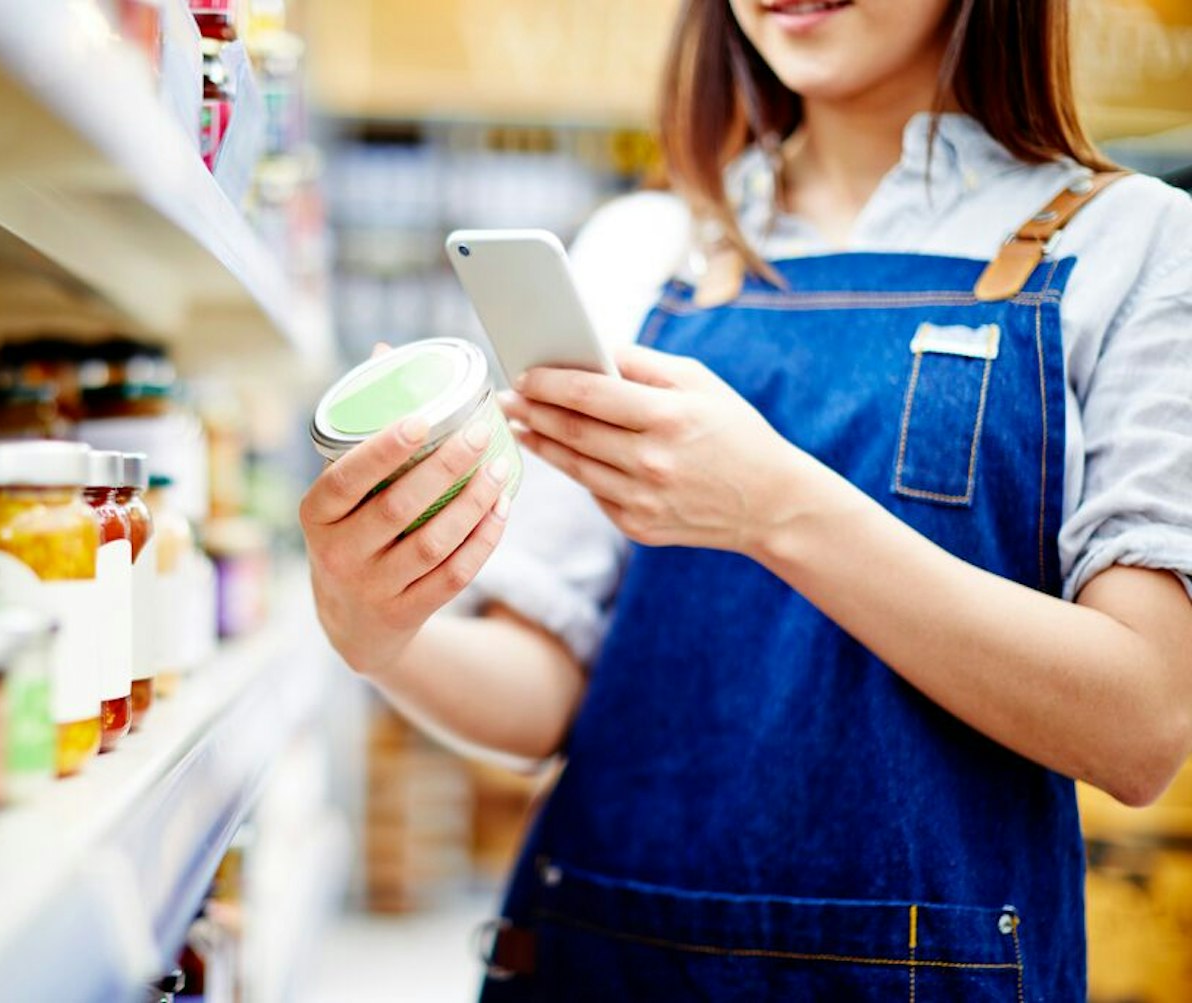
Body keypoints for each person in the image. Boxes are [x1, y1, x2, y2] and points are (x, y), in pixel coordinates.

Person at [299, 0, 1192, 998]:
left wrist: (772, 508)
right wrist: (378, 631)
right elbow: (547, 692)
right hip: (606, 956)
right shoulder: (642, 249)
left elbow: (1138, 723)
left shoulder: (1134, 245)